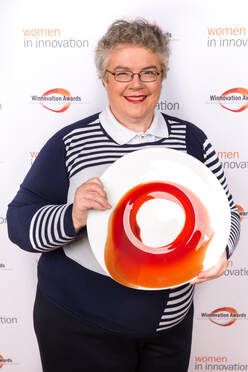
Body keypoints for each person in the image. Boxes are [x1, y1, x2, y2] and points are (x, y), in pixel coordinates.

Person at [7, 19, 240, 372]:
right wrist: (72, 216)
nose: (136, 84)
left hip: (168, 330)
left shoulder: (192, 141)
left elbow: (227, 214)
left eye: (148, 72)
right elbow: (19, 224)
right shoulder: (71, 143)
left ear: (163, 76)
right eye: (122, 73)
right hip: (81, 329)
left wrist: (220, 249)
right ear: (105, 78)